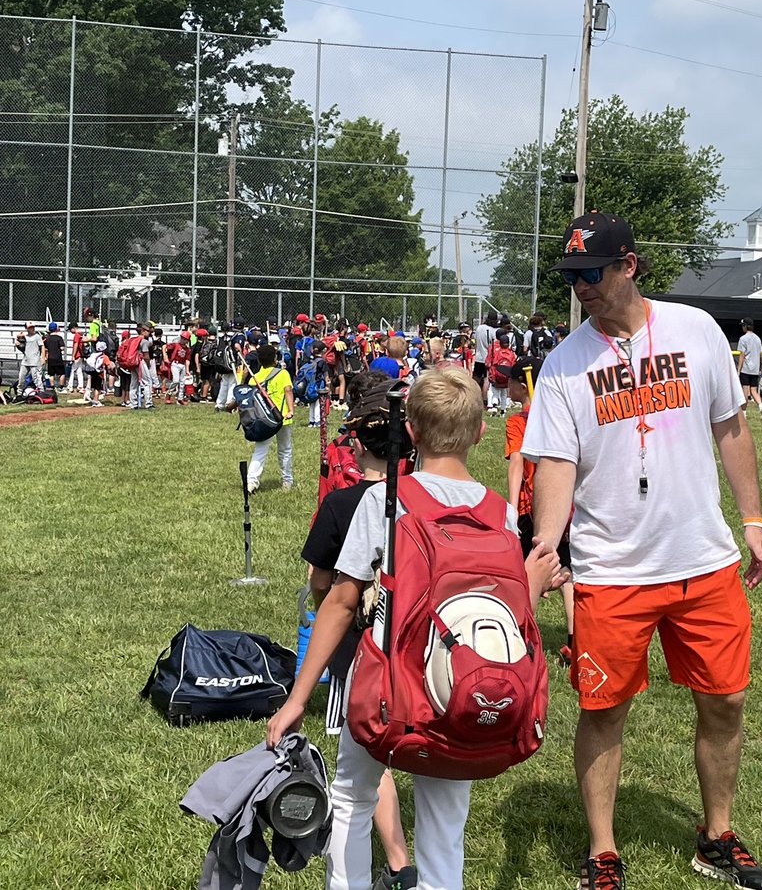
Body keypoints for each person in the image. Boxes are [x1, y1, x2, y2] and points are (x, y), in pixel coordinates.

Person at [525, 211, 762, 890]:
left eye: (592, 273)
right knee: (604, 709)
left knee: (725, 700)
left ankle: (717, 837)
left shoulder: (695, 331)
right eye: (572, 277)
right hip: (612, 570)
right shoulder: (564, 365)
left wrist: (752, 518)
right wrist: (546, 548)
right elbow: (555, 466)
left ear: (629, 265)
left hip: (703, 559)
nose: (581, 287)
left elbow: (730, 429)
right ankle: (603, 852)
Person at [265, 367, 561, 890]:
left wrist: (297, 698)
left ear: (411, 431)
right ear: (480, 432)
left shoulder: (386, 502)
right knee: (445, 829)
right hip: (458, 688)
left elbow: (340, 603)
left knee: (352, 796)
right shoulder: (500, 515)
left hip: (384, 686)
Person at [299, 379, 418, 890]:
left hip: (359, 649)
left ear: (357, 445)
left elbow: (320, 581)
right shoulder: (422, 501)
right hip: (418, 648)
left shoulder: (342, 504)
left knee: (363, 762)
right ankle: (403, 861)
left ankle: (397, 860)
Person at [506, 355, 574, 662]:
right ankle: (575, 640)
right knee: (567, 572)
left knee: (524, 573)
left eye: (509, 380)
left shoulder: (519, 422)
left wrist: (512, 507)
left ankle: (520, 637)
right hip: (564, 504)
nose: (506, 384)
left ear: (523, 386)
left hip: (531, 507)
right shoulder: (558, 417)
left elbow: (517, 462)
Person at [232, 344, 294, 492]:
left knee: (260, 450)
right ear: (275, 359)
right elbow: (288, 390)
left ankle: (251, 482)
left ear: (259, 360)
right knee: (285, 449)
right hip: (283, 417)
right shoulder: (282, 374)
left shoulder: (254, 378)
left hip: (264, 419)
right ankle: (287, 481)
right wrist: (291, 410)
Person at [735, 319, 762, 419]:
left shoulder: (743, 339)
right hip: (755, 369)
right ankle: (761, 406)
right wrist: (760, 367)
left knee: (745, 390)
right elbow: (761, 355)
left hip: (746, 369)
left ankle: (744, 412)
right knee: (754, 390)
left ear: (745, 326)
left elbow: (742, 355)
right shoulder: (757, 339)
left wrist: (738, 370)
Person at [16, 321, 44, 391]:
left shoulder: (37, 336)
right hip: (25, 360)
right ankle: (19, 392)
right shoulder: (24, 337)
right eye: (30, 327)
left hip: (35, 361)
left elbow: (42, 346)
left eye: (33, 327)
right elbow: (23, 349)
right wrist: (18, 344)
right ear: (26, 328)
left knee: (36, 378)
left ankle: (41, 391)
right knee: (21, 378)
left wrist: (43, 357)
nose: (32, 328)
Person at [42, 321, 65, 391]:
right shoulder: (59, 338)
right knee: (62, 373)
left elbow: (45, 348)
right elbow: (62, 348)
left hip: (50, 358)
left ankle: (52, 387)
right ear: (56, 329)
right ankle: (61, 387)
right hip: (58, 358)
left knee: (51, 374)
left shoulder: (47, 338)